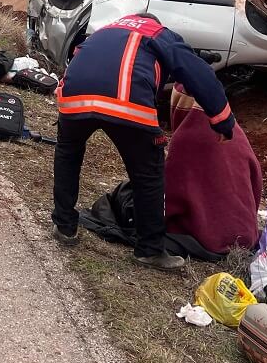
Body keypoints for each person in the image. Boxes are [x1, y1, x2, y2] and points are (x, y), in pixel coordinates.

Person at [51, 13, 236, 271]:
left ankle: (64, 226)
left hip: (74, 96)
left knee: (68, 155)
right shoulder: (157, 32)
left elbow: (83, 57)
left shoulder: (105, 30)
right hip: (126, 101)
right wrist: (222, 120)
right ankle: (149, 250)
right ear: (154, 22)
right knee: (148, 173)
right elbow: (196, 72)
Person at [164, 85, 262, 256]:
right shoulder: (234, 131)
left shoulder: (186, 139)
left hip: (209, 239)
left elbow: (170, 197)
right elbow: (256, 184)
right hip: (246, 236)